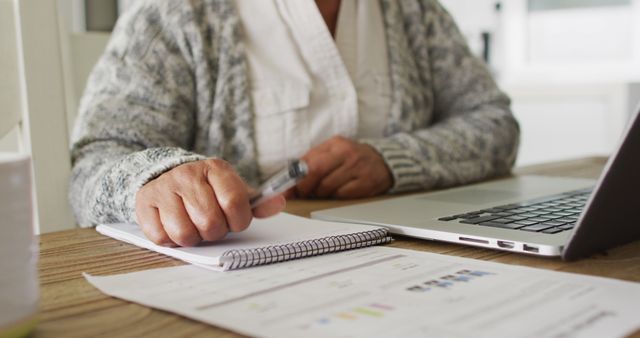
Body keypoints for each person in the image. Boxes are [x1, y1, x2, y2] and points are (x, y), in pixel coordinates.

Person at [69, 0, 520, 247]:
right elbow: (95, 162)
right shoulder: (176, 15)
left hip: (413, 265)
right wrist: (156, 179)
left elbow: (496, 125)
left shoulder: (414, 14)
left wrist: (393, 161)